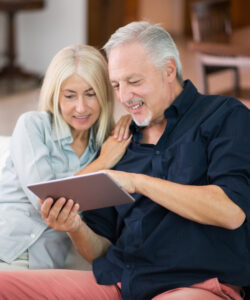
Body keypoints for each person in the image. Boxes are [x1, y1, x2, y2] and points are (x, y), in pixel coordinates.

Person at [0, 21, 249, 300]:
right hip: (119, 282)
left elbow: (231, 212)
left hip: (192, 285)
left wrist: (138, 182)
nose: (124, 97)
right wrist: (75, 227)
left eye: (134, 81)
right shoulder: (119, 144)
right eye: (117, 85)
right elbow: (100, 249)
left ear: (168, 70)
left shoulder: (224, 116)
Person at [0, 44, 131, 270]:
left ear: (104, 95)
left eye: (91, 94)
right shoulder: (32, 126)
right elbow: (47, 201)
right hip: (6, 247)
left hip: (43, 265)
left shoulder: (107, 144)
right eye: (70, 96)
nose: (81, 107)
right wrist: (103, 163)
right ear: (56, 96)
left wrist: (133, 121)